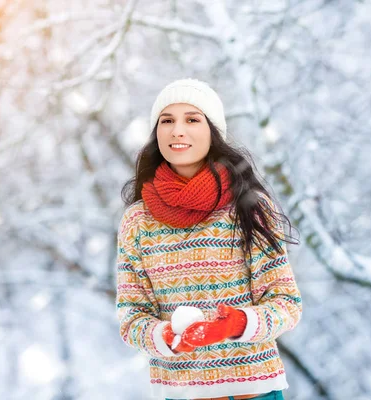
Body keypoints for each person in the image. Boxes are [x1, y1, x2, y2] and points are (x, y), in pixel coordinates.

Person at [115, 78, 302, 400]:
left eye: (192, 119)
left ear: (213, 131)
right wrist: (165, 336)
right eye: (167, 121)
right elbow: (131, 316)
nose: (177, 131)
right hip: (182, 393)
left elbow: (286, 303)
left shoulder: (249, 208)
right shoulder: (137, 221)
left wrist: (237, 323)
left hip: (255, 391)